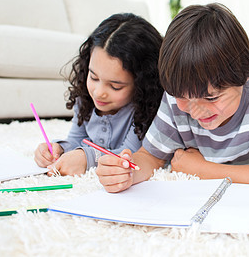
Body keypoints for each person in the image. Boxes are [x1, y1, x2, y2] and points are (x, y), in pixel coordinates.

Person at [96, 3, 249, 193]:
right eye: (183, 97)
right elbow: (151, 156)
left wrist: (201, 169)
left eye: (211, 98)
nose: (195, 111)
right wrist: (128, 172)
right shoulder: (176, 95)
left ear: (247, 72)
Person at [34, 13, 164, 176]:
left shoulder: (146, 108)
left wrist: (87, 158)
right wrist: (59, 149)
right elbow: (77, 139)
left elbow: (132, 154)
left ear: (142, 83)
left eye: (115, 86)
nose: (99, 92)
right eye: (93, 77)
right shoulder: (86, 98)